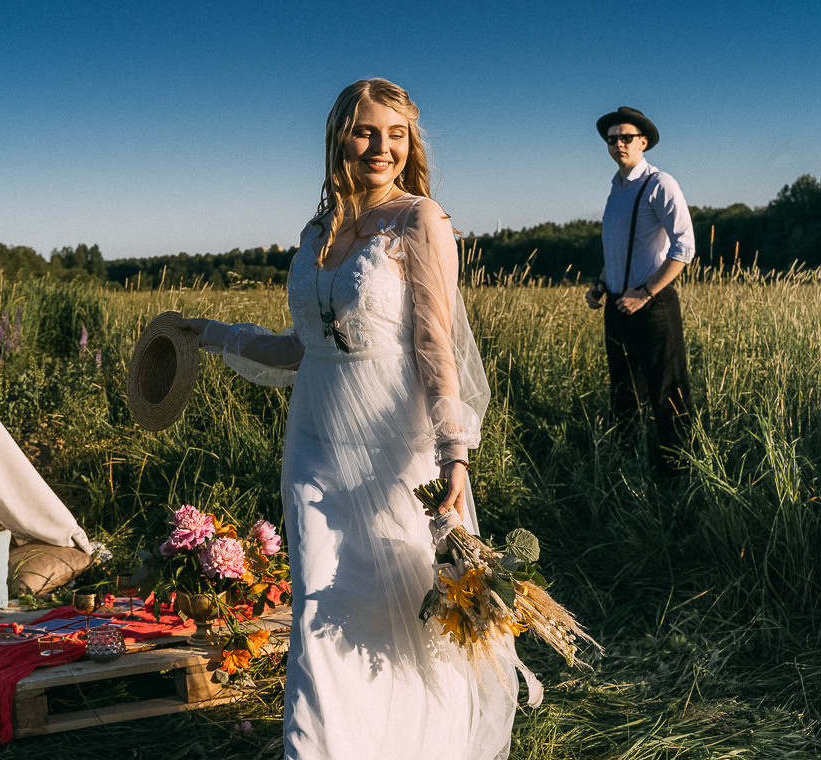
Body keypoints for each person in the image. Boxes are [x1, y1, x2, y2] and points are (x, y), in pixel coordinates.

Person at [183, 79, 517, 759]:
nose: (382, 147)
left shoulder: (421, 220)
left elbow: (436, 345)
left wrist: (456, 454)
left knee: (398, 612)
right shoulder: (316, 233)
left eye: (396, 134)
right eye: (367, 131)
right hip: (313, 446)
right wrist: (210, 333)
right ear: (339, 136)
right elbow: (301, 347)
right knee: (316, 607)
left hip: (397, 445)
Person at [585, 107, 695, 472]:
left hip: (653, 305)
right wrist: (602, 284)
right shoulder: (616, 191)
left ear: (643, 142)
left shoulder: (660, 183)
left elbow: (685, 248)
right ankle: (626, 469)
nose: (618, 144)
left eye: (626, 137)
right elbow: (616, 251)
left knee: (668, 393)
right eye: (612, 139)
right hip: (618, 306)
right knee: (624, 395)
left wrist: (646, 292)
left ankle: (677, 476)